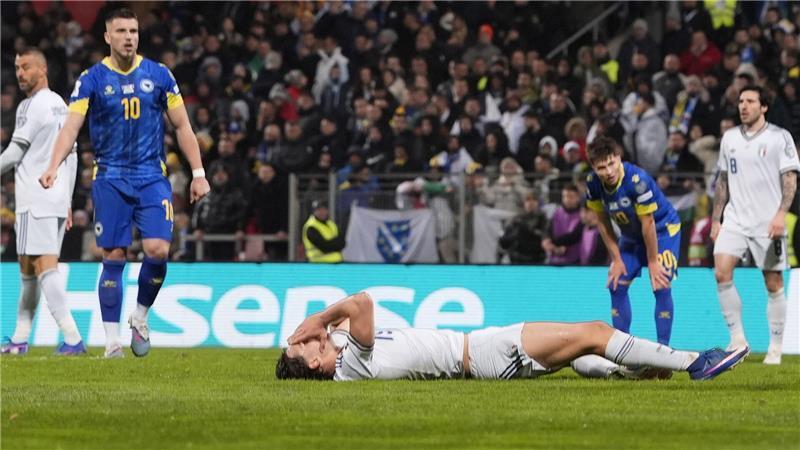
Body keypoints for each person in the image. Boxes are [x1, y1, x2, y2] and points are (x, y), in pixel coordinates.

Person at [38, 9, 210, 358]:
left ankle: (141, 316)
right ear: (107, 36)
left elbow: (182, 127)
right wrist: (53, 165)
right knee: (113, 255)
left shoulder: (159, 75)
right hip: (111, 177)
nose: (129, 37)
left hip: (151, 177)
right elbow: (71, 127)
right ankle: (112, 340)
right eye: (121, 31)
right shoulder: (91, 79)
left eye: (133, 30)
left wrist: (198, 173)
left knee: (158, 250)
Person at [276, 292, 749, 381]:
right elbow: (359, 303)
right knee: (594, 331)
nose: (310, 335)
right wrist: (320, 317)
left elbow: (344, 325)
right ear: (317, 363)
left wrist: (321, 330)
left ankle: (631, 374)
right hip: (481, 352)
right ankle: (694, 363)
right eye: (305, 344)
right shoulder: (352, 364)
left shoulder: (344, 359)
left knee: (579, 349)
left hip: (479, 353)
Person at [0, 48, 85, 355]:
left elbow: (13, 153)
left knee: (44, 267)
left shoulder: (31, 106)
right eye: (17, 67)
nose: (20, 73)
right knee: (28, 270)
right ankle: (21, 339)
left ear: (42, 69)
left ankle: (73, 338)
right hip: (54, 198)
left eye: (26, 67)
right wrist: (67, 198)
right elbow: (72, 155)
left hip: (34, 198)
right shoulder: (60, 106)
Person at [711, 85, 800, 365]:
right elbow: (723, 181)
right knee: (721, 273)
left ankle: (775, 347)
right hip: (736, 219)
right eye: (740, 101)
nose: (743, 106)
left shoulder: (779, 137)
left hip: (767, 222)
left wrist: (779, 215)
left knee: (772, 282)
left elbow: (790, 180)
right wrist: (717, 219)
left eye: (750, 101)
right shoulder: (729, 138)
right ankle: (738, 340)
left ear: (764, 107)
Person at [585, 137, 682, 345]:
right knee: (615, 284)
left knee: (660, 284)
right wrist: (616, 259)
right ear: (593, 167)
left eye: (612, 163)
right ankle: (623, 351)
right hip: (631, 237)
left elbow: (649, 224)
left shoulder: (638, 181)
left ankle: (663, 351)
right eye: (602, 167)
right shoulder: (593, 184)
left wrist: (653, 262)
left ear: (619, 158)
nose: (609, 171)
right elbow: (602, 223)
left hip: (663, 231)